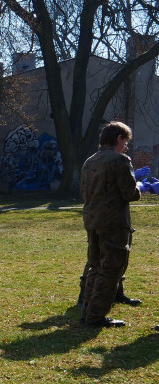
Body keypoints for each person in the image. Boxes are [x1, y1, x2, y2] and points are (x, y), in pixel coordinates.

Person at [80, 121, 140, 328]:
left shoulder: (89, 161)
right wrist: (138, 186)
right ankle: (96, 316)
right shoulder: (120, 160)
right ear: (118, 138)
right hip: (113, 222)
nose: (127, 146)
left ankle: (87, 311)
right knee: (112, 268)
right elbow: (130, 193)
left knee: (95, 267)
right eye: (126, 141)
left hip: (92, 220)